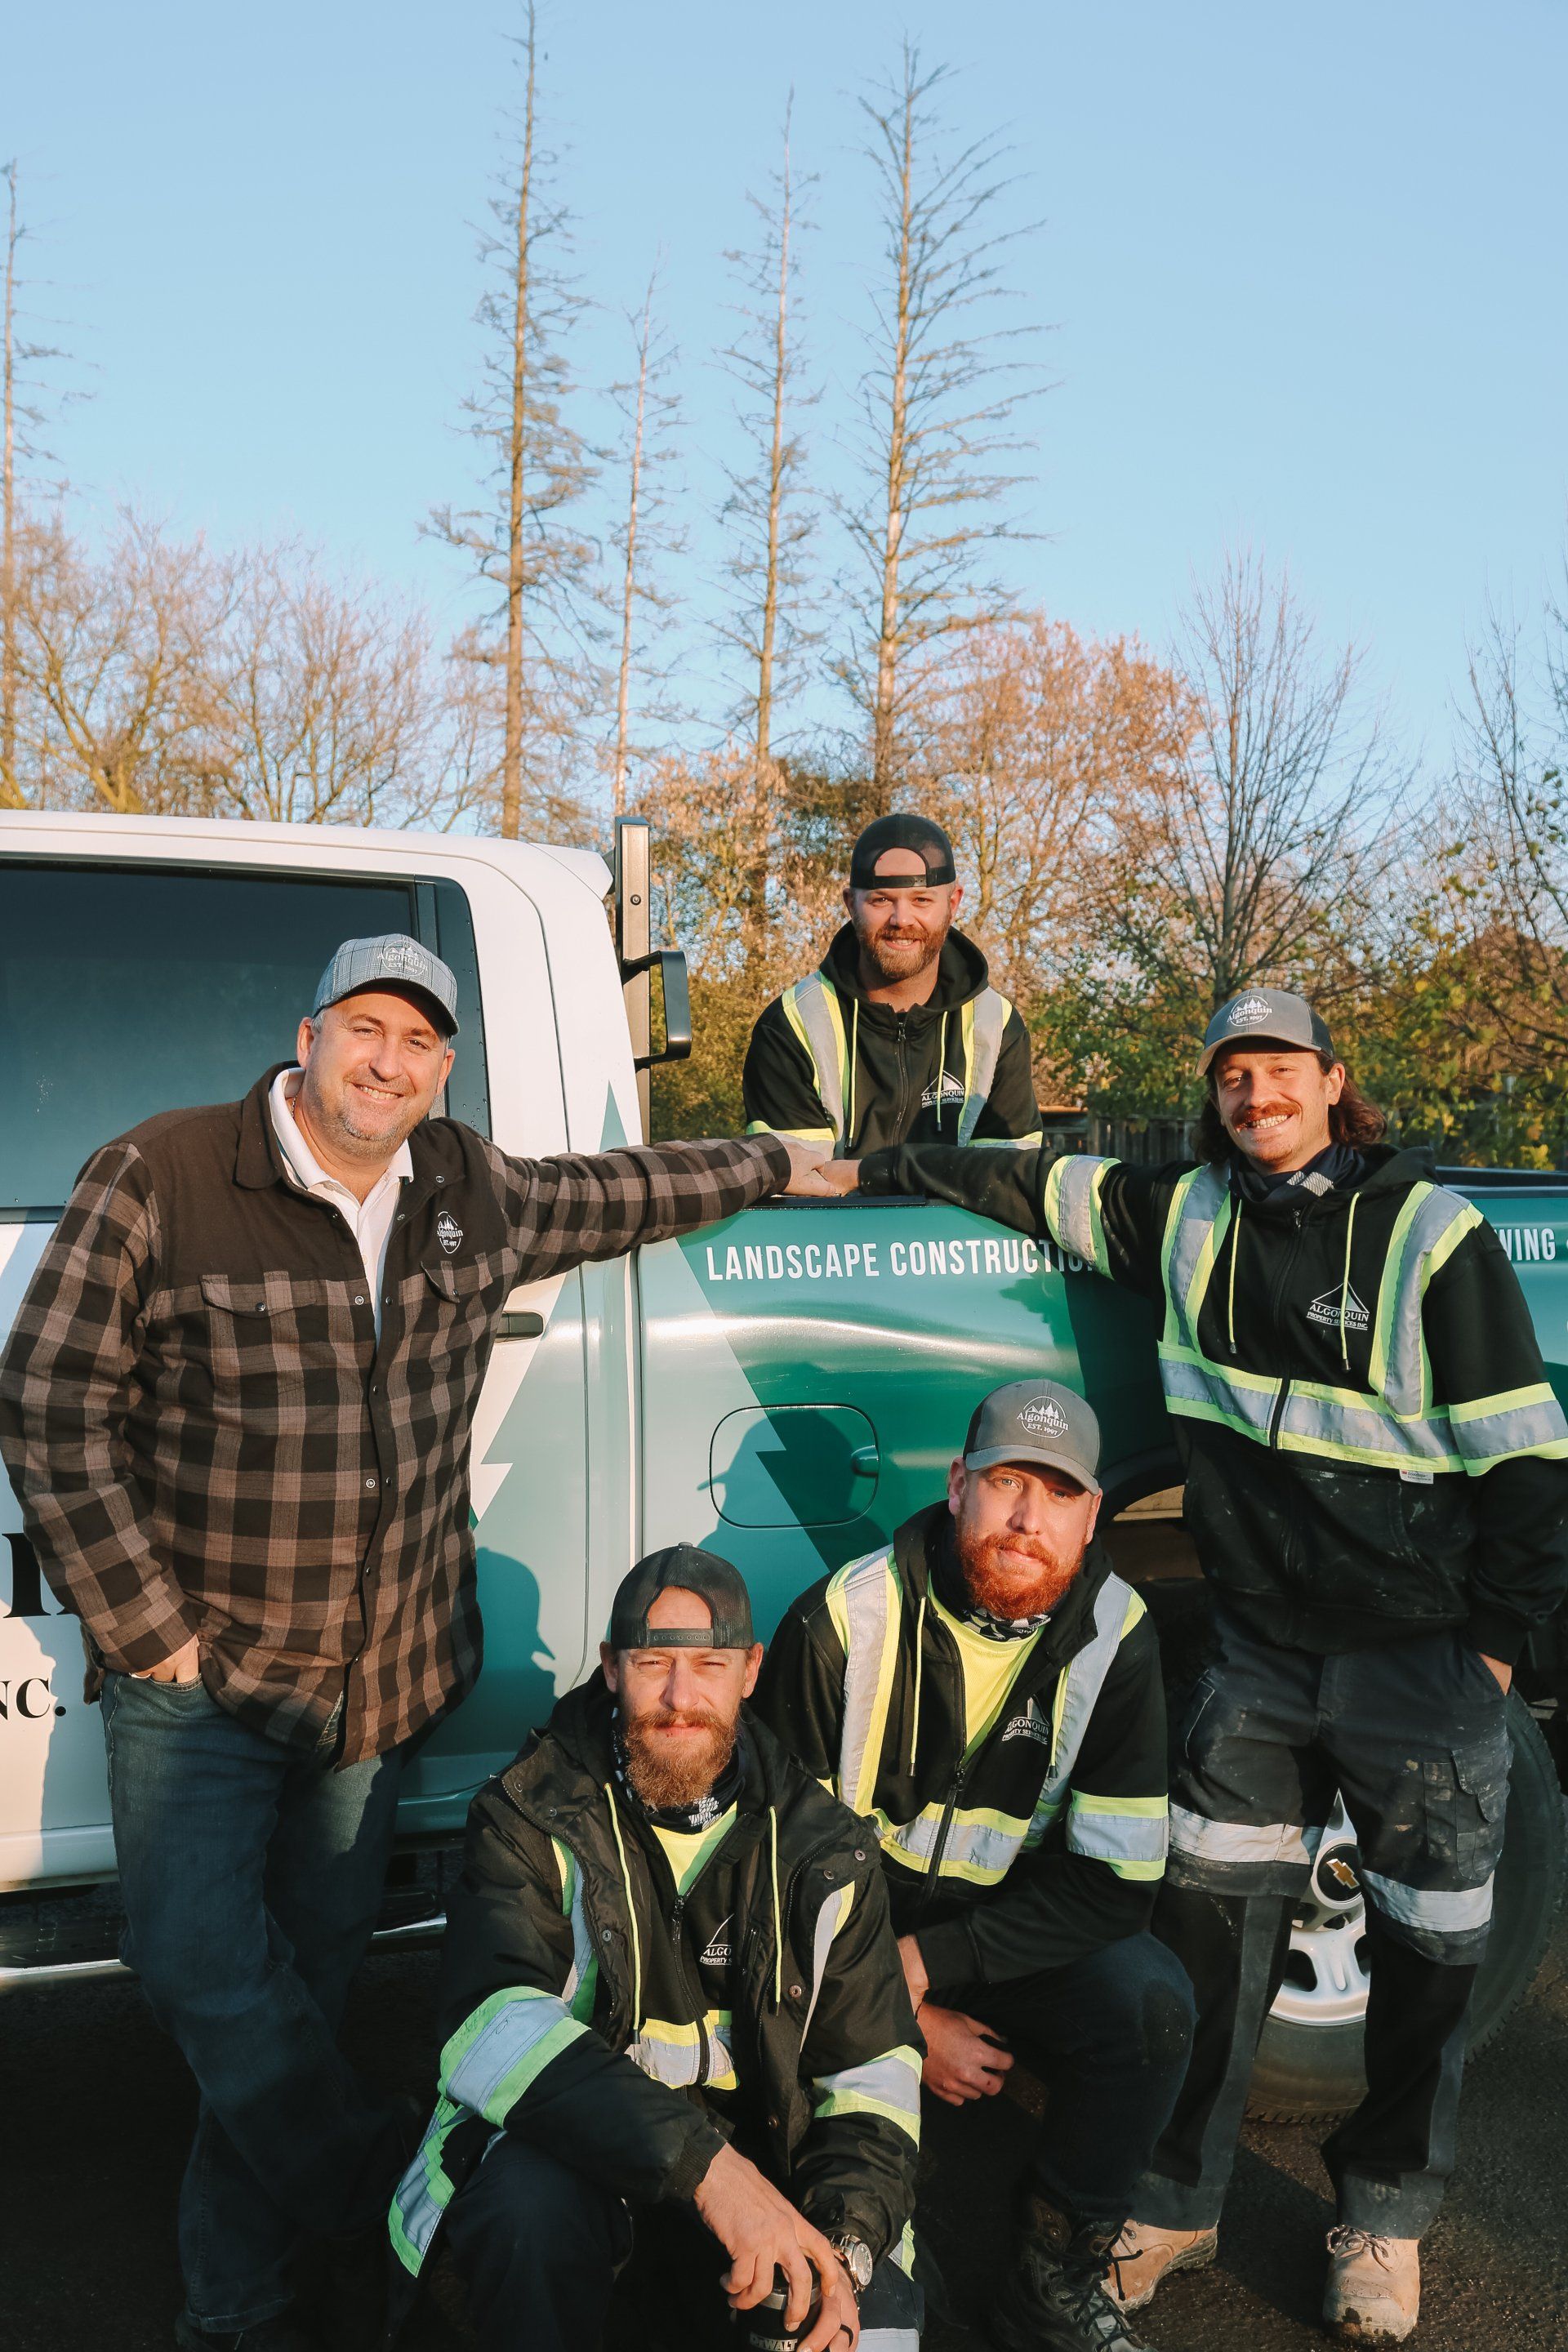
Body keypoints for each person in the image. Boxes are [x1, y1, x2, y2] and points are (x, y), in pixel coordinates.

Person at [0, 933, 830, 2352]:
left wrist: (772, 1163)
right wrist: (145, 1626)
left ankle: (239, 2307)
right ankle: (396, 2191)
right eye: (366, 1030)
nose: (389, 1063)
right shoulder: (164, 1173)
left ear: (446, 1069)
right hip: (200, 1676)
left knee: (304, 1997)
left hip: (375, 1687)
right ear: (309, 1033)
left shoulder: (464, 1185)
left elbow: (615, 1192)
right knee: (199, 1966)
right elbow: (48, 1399)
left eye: (421, 1044)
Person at [837, 986, 1568, 2343]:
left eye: (1281, 1068)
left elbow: (1525, 1452)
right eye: (1234, 1074)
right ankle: (1176, 2202)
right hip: (1257, 1652)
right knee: (1206, 1935)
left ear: (1333, 1081)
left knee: (1429, 1953)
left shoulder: (1429, 1235)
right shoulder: (1184, 1215)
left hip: (1422, 1659)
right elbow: (1028, 1181)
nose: (1256, 1095)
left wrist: (1496, 1650)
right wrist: (876, 1165)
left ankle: (1386, 2221)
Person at [752, 1379, 1195, 2352]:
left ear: (1093, 1518)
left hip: (983, 1941)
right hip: (838, 1948)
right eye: (1005, 1483)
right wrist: (903, 2011)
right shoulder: (842, 1621)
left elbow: (1117, 1884)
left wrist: (937, 1966)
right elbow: (772, 1888)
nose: (1027, 1520)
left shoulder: (1117, 1635)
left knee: (1150, 2005)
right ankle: (881, 2237)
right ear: (958, 1487)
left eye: (1059, 1494)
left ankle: (1052, 2276)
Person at [391, 1544, 923, 2352]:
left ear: (750, 1672)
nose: (681, 1699)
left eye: (709, 1665)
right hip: (591, 2168)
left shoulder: (826, 1849)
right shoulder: (525, 1815)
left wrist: (839, 2249)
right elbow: (490, 2030)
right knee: (524, 2213)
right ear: (611, 1668)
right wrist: (708, 2168)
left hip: (760, 2182)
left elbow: (873, 2081)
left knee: (864, 2329)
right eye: (653, 1664)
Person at [742, 813, 1041, 1156]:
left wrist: (867, 1174)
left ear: (953, 903)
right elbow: (798, 1187)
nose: (901, 920)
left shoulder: (998, 1026)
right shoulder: (790, 1026)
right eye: (881, 900)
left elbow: (1006, 1184)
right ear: (851, 904)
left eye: (921, 900)